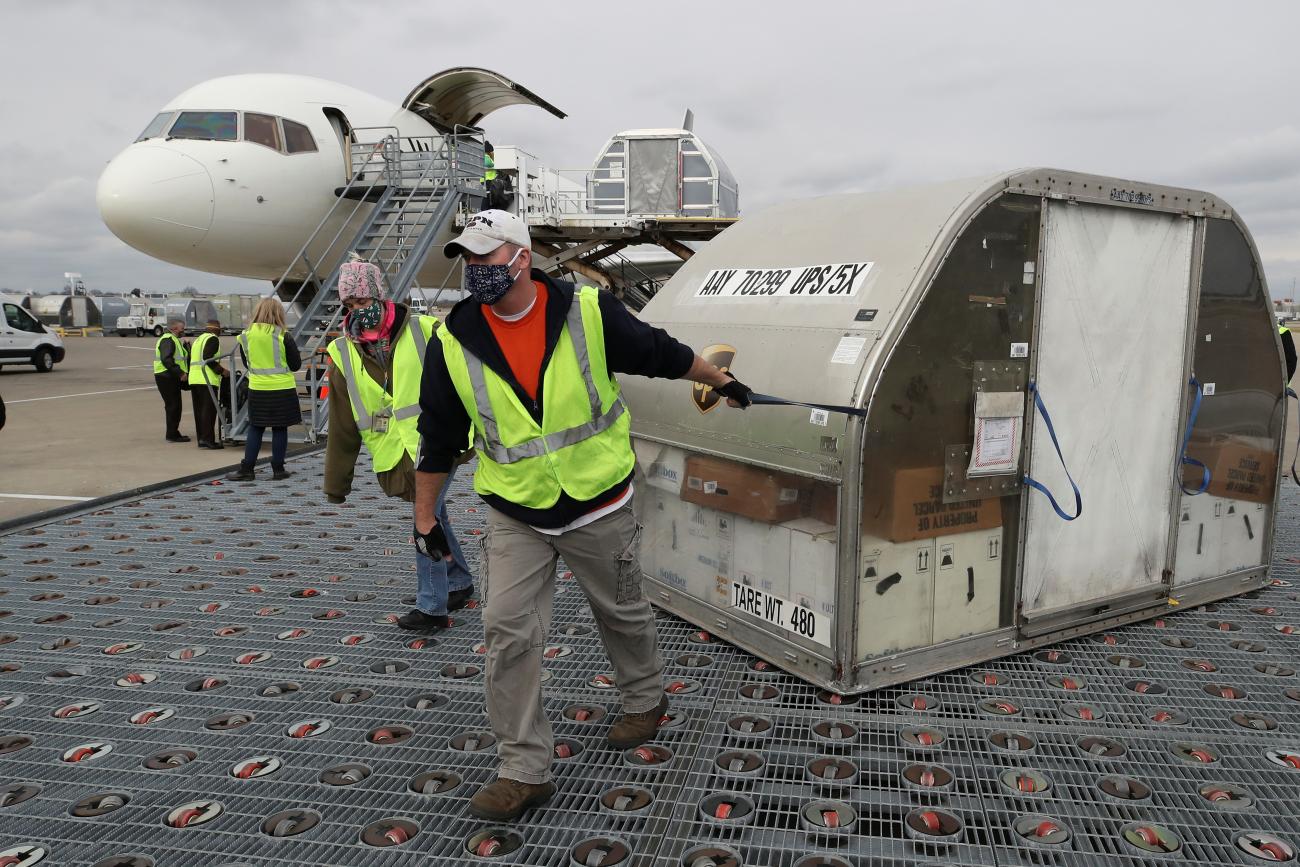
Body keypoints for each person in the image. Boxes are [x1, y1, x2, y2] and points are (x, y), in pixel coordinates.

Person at [414, 209, 752, 821]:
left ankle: (645, 700)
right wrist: (424, 519)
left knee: (620, 610)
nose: (475, 271)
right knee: (506, 629)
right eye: (467, 258)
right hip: (515, 510)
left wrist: (719, 380)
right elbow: (437, 436)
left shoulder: (586, 311)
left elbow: (660, 354)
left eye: (485, 258)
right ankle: (523, 767)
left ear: (521, 257)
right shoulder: (451, 339)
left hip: (599, 502)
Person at [323, 257, 474, 629]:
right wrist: (336, 483)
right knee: (434, 514)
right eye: (350, 305)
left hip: (438, 443)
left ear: (379, 295)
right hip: (396, 452)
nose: (358, 311)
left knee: (423, 519)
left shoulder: (427, 330)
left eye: (362, 301)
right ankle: (459, 580)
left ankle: (431, 607)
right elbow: (343, 422)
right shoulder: (343, 352)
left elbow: (466, 382)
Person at [225, 298, 301, 481]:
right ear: (278, 314)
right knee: (280, 429)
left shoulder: (246, 335)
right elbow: (295, 365)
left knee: (255, 428)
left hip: (258, 389)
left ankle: (247, 469)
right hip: (282, 388)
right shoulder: (283, 335)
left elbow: (246, 363)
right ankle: (278, 469)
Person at [189, 319, 228, 449]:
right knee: (209, 411)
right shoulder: (212, 339)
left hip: (194, 379)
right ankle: (208, 440)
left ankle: (201, 439)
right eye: (220, 329)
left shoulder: (198, 340)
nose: (220, 331)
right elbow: (207, 357)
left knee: (199, 411)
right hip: (206, 379)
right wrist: (222, 371)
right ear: (216, 329)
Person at [153, 319, 190, 442]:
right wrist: (180, 373)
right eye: (181, 329)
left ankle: (173, 432)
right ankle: (172, 434)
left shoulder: (174, 340)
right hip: (166, 376)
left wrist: (187, 346)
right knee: (173, 406)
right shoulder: (167, 340)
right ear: (174, 329)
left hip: (169, 376)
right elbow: (166, 359)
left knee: (175, 405)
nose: (183, 331)